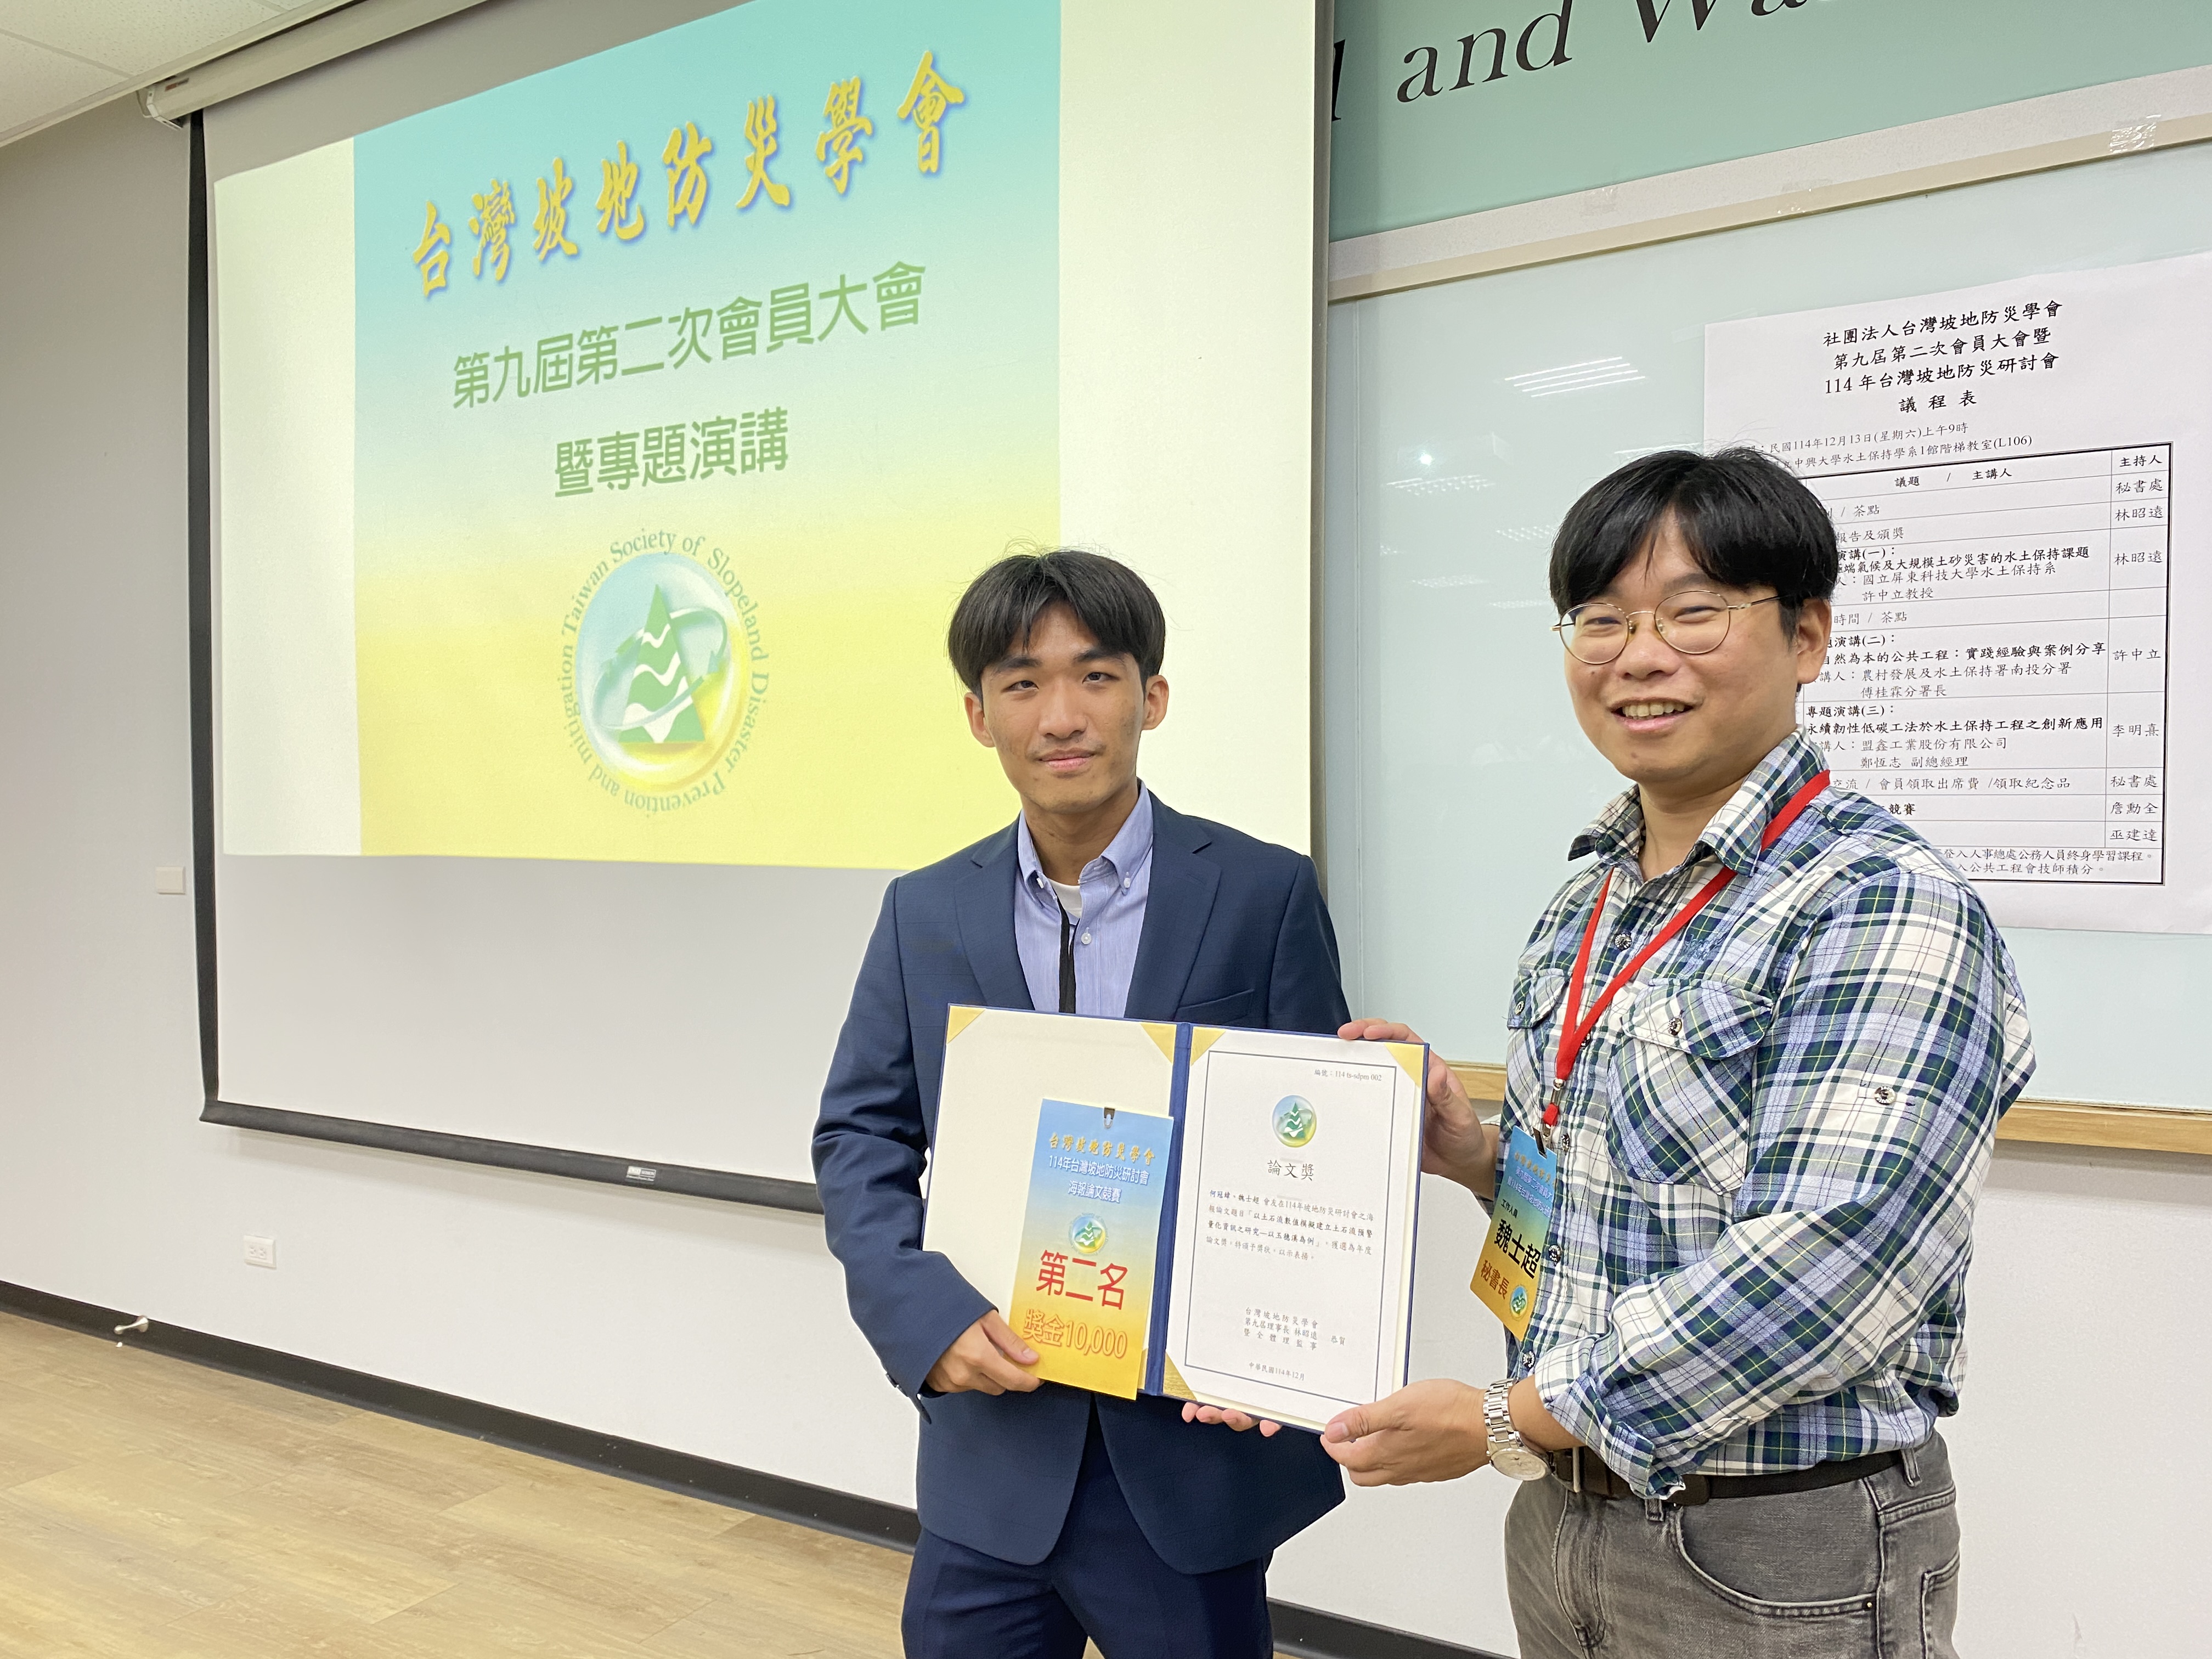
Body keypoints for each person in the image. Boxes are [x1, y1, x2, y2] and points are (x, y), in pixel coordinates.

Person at [1193, 448, 2033, 1658]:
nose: (1639, 656)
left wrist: (1504, 1422)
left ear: (1807, 636)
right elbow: (1620, 1194)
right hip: (1565, 1517)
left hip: (1775, 1541)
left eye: (1693, 612)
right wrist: (1477, 1158)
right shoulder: (1588, 899)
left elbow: (1827, 1265)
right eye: (1602, 619)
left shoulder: (1879, 900)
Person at [812, 548, 1350, 1659]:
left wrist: (1277, 1348)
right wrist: (921, 1316)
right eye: (1022, 683)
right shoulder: (925, 911)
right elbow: (861, 1133)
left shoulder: (1263, 892)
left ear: (1152, 697)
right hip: (994, 1445)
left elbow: (1313, 1144)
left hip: (1187, 1460)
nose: (1061, 715)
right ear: (979, 716)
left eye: (1096, 676)